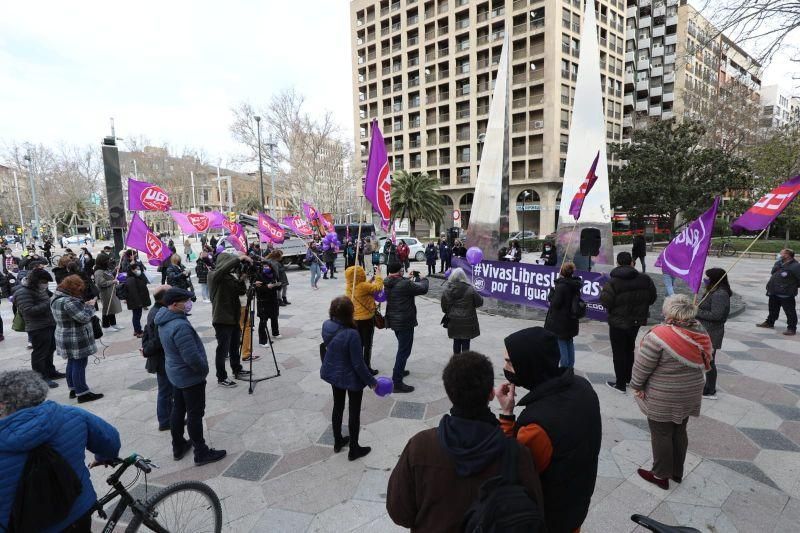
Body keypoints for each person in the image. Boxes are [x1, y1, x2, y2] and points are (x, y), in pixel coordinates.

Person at [387, 351, 545, 532]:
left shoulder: (420, 447)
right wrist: (507, 415)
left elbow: (399, 512)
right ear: (491, 394)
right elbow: (534, 510)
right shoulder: (517, 454)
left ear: (449, 392)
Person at [496, 326, 602, 533]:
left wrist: (507, 416)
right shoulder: (582, 387)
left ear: (529, 364)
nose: (505, 366)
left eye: (510, 361)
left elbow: (512, 468)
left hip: (548, 517)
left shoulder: (536, 425)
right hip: (576, 503)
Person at [0, 370, 121, 533]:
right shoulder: (72, 414)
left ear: (3, 404)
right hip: (78, 510)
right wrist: (103, 457)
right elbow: (110, 441)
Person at [630, 295, 712, 490]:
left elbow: (642, 367)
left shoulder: (659, 336)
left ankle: (660, 475)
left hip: (664, 395)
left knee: (661, 433)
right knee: (679, 430)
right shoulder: (700, 331)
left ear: (670, 312)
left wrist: (637, 386)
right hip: (690, 392)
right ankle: (676, 472)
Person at [156, 288, 227, 466]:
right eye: (185, 301)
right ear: (174, 304)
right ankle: (201, 452)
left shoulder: (164, 318)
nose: (189, 303)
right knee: (195, 414)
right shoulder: (179, 326)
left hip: (175, 373)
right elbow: (192, 357)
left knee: (178, 410)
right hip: (189, 377)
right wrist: (203, 370)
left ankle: (178, 445)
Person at [320, 296, 377, 461]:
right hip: (351, 377)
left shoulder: (326, 324)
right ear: (350, 312)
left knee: (338, 406)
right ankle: (354, 449)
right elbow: (359, 364)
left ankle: (338, 441)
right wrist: (372, 383)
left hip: (334, 372)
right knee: (354, 411)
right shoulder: (352, 334)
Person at [600, 251, 657, 393]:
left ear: (618, 263)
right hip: (636, 321)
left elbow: (606, 302)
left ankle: (620, 384)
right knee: (629, 349)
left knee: (619, 352)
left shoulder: (612, 282)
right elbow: (652, 298)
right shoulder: (645, 279)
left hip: (618, 322)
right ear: (632, 262)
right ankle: (628, 378)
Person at [51, 275, 102, 403]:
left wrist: (82, 305)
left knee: (72, 362)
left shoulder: (56, 297)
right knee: (79, 363)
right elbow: (84, 317)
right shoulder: (68, 301)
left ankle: (73, 389)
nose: (80, 291)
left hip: (64, 334)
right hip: (75, 336)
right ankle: (83, 393)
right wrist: (90, 306)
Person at [208, 252, 251, 387]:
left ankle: (236, 369)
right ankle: (221, 377)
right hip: (221, 319)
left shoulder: (229, 277)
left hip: (233, 317)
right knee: (222, 350)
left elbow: (240, 291)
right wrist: (239, 259)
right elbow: (222, 270)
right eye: (231, 262)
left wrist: (242, 278)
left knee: (234, 347)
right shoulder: (214, 275)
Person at [384, 262, 429, 393]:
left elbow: (400, 284)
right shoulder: (404, 284)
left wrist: (407, 278)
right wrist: (424, 278)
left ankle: (400, 370)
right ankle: (397, 382)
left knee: (402, 347)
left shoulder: (388, 281)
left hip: (394, 320)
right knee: (404, 351)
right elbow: (423, 289)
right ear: (400, 271)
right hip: (405, 321)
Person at [13, 269, 62, 387]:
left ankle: (50, 371)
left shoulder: (39, 289)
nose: (45, 284)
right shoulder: (23, 292)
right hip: (37, 327)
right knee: (40, 353)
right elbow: (28, 311)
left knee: (50, 349)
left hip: (49, 324)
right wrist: (49, 302)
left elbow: (51, 297)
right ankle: (40, 378)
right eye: (43, 281)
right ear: (36, 281)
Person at [696, 268, 731, 400]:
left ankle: (710, 389)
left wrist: (696, 312)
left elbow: (716, 315)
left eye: (708, 277)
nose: (706, 279)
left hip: (712, 332)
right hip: (704, 330)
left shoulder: (720, 294)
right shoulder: (713, 291)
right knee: (704, 359)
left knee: (709, 361)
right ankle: (706, 385)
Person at [144, 285, 174, 431]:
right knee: (165, 390)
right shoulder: (158, 314)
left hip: (162, 357)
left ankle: (170, 417)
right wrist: (146, 350)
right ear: (164, 298)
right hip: (161, 359)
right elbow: (157, 340)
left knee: (168, 390)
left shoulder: (156, 311)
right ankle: (165, 420)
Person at [346, 264, 383, 375]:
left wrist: (370, 280)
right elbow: (378, 287)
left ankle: (357, 365)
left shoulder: (349, 286)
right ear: (360, 275)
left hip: (355, 319)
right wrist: (378, 276)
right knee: (367, 344)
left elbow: (363, 287)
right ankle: (367, 368)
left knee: (359, 344)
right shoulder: (362, 286)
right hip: (366, 319)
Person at [544, 262, 582, 368]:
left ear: (562, 272)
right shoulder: (575, 284)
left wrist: (552, 293)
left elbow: (555, 304)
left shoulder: (561, 286)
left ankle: (565, 368)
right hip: (571, 320)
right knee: (569, 341)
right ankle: (570, 366)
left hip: (561, 321)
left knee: (561, 343)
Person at [757, 248, 800, 336]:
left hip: (786, 293)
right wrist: (777, 265)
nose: (779, 255)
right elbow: (773, 272)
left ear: (787, 255)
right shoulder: (779, 263)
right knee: (773, 308)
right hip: (773, 290)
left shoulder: (795, 266)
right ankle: (769, 322)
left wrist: (791, 287)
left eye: (781, 253)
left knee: (789, 311)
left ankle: (791, 328)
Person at [441, 267, 483, 354]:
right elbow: (479, 302)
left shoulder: (447, 290)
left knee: (456, 341)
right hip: (467, 321)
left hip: (453, 320)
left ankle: (456, 362)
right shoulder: (470, 289)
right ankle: (465, 363)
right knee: (466, 342)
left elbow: (444, 307)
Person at [94, 254, 123, 330]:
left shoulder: (104, 269)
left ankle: (113, 324)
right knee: (107, 308)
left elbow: (108, 276)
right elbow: (101, 283)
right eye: (107, 260)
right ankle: (106, 325)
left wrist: (115, 270)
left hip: (110, 291)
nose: (109, 262)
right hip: (105, 293)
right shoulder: (98, 271)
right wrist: (112, 282)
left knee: (112, 308)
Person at [255, 262, 281, 345]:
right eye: (264, 266)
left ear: (270, 267)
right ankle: (262, 341)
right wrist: (267, 287)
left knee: (274, 316)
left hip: (273, 299)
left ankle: (275, 332)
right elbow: (257, 289)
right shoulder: (259, 276)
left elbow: (279, 285)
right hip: (263, 301)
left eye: (267, 266)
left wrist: (277, 285)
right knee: (263, 320)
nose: (265, 268)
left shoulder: (274, 274)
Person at [125, 262, 151, 338]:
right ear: (132, 270)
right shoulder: (131, 279)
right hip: (136, 302)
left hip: (138, 301)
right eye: (137, 269)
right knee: (136, 316)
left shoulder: (137, 277)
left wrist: (141, 273)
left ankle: (137, 330)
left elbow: (145, 281)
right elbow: (133, 292)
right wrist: (138, 303)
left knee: (137, 316)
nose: (139, 270)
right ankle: (138, 331)